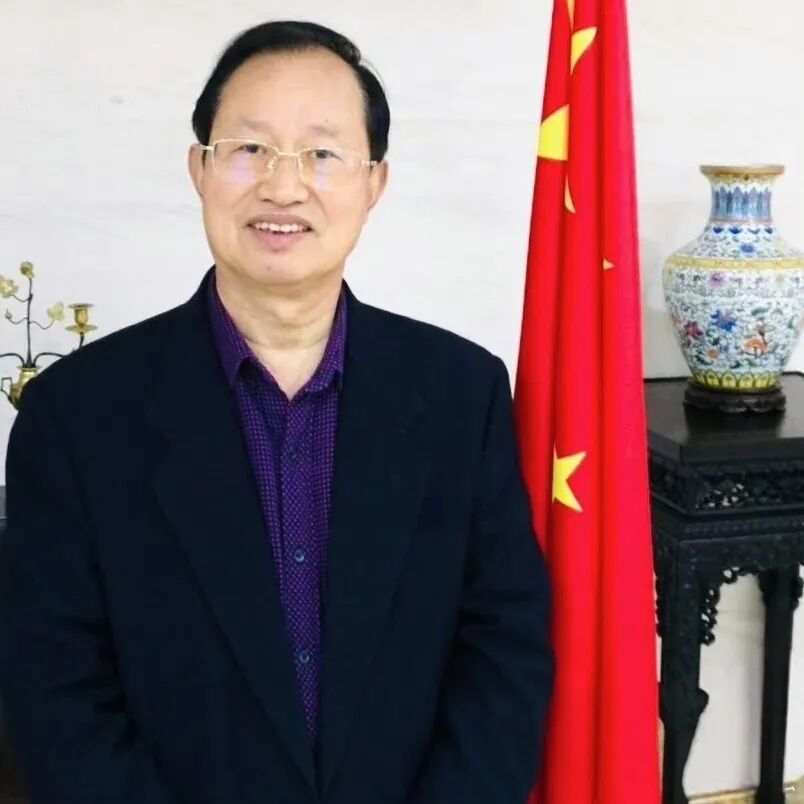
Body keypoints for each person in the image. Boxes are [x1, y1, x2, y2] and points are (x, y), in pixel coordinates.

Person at [0, 20, 553, 804]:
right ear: (199, 168)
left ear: (374, 183)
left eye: (322, 154)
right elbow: (55, 695)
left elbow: (504, 652)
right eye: (249, 148)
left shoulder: (462, 395)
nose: (283, 187)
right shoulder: (77, 417)